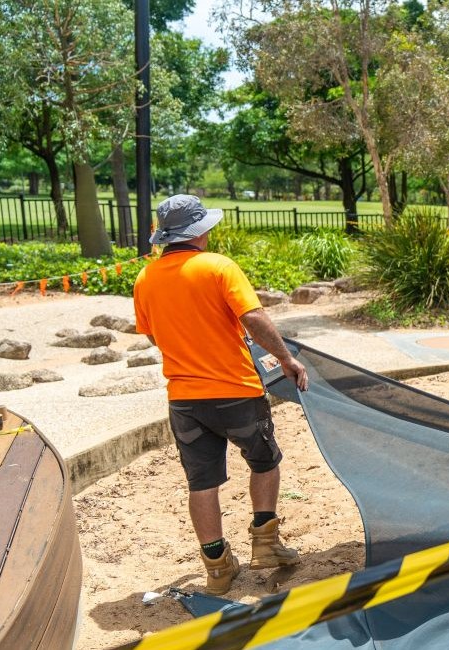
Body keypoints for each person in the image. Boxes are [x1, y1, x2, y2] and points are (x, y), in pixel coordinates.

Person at [133, 194, 309, 595]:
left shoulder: (146, 278)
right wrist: (285, 359)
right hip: (235, 391)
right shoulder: (218, 267)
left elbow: (155, 334)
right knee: (264, 461)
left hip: (184, 400)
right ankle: (265, 545)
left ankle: (216, 567)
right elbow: (253, 317)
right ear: (200, 231)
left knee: (202, 483)